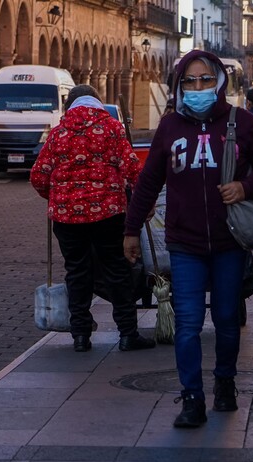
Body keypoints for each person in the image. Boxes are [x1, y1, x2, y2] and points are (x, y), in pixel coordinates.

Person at [123, 50, 253, 428]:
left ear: (219, 82)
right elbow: (148, 181)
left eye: (205, 80)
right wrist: (130, 229)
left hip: (229, 241)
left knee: (227, 319)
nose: (197, 87)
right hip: (185, 243)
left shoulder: (240, 122)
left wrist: (245, 187)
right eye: (189, 81)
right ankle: (192, 397)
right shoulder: (169, 127)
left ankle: (225, 382)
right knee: (189, 322)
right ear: (179, 85)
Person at [30, 84, 156, 354]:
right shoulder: (111, 128)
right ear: (97, 103)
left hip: (66, 218)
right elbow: (134, 170)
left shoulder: (58, 133)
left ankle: (80, 336)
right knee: (117, 270)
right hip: (107, 214)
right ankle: (127, 334)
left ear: (70, 106)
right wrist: (145, 206)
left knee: (77, 271)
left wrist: (57, 199)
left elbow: (38, 176)